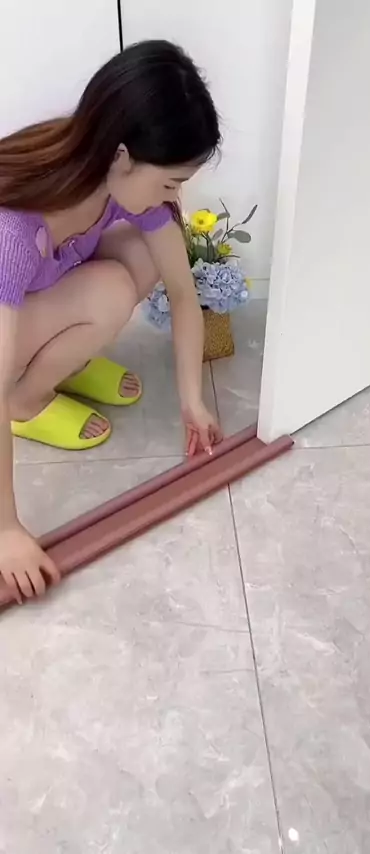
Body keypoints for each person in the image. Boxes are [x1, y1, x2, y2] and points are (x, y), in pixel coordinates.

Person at [0, 40, 223, 603]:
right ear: (122, 155)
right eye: (170, 181)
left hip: (34, 302)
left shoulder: (110, 179)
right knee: (110, 291)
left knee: (147, 254)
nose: (176, 194)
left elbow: (182, 291)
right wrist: (5, 531)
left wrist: (192, 400)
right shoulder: (13, 231)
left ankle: (65, 361)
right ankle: (27, 402)